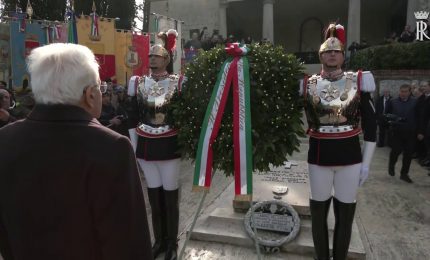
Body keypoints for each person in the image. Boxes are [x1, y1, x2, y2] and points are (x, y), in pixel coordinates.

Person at [0, 43, 153, 260]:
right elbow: (129, 244)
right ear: (90, 94)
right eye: (101, 88)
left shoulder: (4, 140)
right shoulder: (112, 147)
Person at [302, 23, 377, 260]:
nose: (332, 54)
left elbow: (372, 126)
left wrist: (366, 162)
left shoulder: (359, 80)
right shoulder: (307, 84)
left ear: (343, 55)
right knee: (318, 214)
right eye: (327, 50)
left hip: (350, 157)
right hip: (318, 156)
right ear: (321, 55)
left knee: (345, 216)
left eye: (337, 51)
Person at [128, 29, 182, 260]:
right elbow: (131, 114)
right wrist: (133, 145)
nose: (151, 59)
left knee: (170, 196)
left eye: (156, 56)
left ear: (166, 59)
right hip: (146, 143)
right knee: (153, 197)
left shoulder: (178, 82)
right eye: (150, 56)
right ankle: (158, 240)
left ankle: (172, 242)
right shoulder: (137, 82)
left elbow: (184, 116)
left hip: (169, 142)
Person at [386, 84, 417, 183]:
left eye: (405, 91)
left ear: (409, 92)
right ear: (399, 91)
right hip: (397, 132)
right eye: (402, 91)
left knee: (408, 154)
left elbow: (419, 116)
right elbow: (387, 114)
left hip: (410, 132)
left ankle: (404, 174)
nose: (403, 94)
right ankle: (391, 165)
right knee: (395, 151)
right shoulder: (393, 102)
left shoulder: (415, 102)